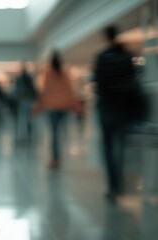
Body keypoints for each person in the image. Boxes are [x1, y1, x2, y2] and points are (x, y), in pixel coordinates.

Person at [92, 26, 145, 201]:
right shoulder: (126, 56)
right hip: (123, 108)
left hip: (107, 108)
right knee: (120, 146)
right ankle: (119, 183)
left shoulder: (102, 57)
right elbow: (133, 81)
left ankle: (112, 185)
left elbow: (98, 82)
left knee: (107, 147)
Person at [33, 51, 80, 169]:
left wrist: (38, 106)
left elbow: (44, 91)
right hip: (64, 107)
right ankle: (60, 154)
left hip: (52, 107)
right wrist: (74, 105)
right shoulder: (65, 73)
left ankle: (55, 158)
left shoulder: (48, 74)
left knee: (54, 134)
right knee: (62, 131)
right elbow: (70, 90)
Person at [14, 63, 37, 140]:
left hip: (22, 101)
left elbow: (17, 91)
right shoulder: (29, 78)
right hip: (28, 100)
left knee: (22, 119)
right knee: (28, 119)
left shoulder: (19, 79)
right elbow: (33, 90)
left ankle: (22, 136)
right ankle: (28, 135)